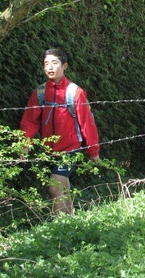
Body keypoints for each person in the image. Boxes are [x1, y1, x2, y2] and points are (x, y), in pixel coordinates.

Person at [20, 49, 100, 215]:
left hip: (70, 149)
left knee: (54, 187)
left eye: (54, 63)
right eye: (46, 63)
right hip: (49, 151)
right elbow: (30, 120)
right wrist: (24, 143)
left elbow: (87, 124)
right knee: (62, 187)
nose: (50, 67)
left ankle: (58, 230)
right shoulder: (40, 92)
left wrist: (94, 151)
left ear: (65, 66)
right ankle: (70, 220)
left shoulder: (75, 93)